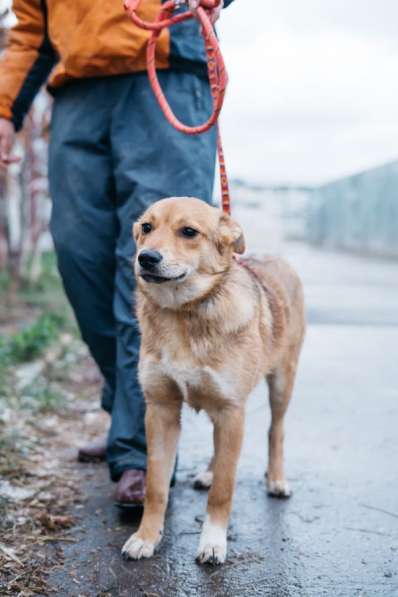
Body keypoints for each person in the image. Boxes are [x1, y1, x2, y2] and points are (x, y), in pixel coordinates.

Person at [0, 0, 235, 506]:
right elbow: (29, 32)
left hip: (164, 73)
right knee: (77, 256)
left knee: (155, 273)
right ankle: (129, 405)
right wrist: (4, 110)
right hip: (78, 89)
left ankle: (139, 453)